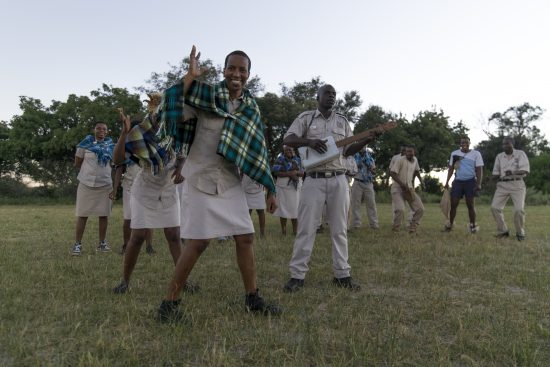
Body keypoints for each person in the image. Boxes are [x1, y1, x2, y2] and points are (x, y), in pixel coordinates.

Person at [156, 46, 281, 321]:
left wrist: (270, 188)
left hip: (229, 181)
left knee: (246, 237)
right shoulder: (207, 95)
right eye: (232, 68)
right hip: (200, 177)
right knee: (198, 244)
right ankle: (168, 305)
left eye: (242, 69)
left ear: (249, 74)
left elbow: (258, 150)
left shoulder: (250, 108)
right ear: (224, 70)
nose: (237, 74)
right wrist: (190, 75)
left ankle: (252, 298)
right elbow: (173, 103)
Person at [282, 84, 373, 293]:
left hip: (339, 179)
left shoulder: (342, 120)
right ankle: (297, 275)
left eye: (334, 94)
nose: (331, 96)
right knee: (306, 228)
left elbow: (348, 150)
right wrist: (310, 142)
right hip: (313, 179)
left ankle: (342, 274)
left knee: (340, 229)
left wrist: (366, 139)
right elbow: (288, 139)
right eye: (327, 93)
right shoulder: (306, 118)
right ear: (318, 96)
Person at [112, 96, 188, 294]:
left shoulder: (175, 132)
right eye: (157, 116)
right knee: (137, 237)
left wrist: (181, 168)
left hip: (168, 189)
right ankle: (125, 282)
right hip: (145, 189)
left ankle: (183, 282)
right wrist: (124, 133)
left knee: (174, 235)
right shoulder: (138, 133)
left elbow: (182, 155)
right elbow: (118, 159)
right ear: (152, 115)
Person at [71, 122, 114, 256]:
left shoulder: (112, 147)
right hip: (86, 183)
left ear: (107, 132)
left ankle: (102, 243)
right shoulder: (85, 144)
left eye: (104, 129)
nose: (101, 130)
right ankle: (77, 245)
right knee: (82, 214)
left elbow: (115, 164)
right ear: (94, 130)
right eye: (98, 128)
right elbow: (77, 163)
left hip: (105, 184)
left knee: (104, 215)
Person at [490, 137, 530, 241]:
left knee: (519, 209)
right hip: (502, 185)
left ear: (512, 144)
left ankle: (520, 233)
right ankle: (503, 231)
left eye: (507, 144)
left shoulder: (520, 154)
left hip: (517, 184)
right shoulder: (499, 156)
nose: (504, 146)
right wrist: (489, 179)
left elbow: (525, 171)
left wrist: (513, 172)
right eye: (503, 144)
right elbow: (496, 174)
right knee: (495, 207)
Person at [111, 161, 155, 255]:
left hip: (147, 185)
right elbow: (119, 168)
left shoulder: (149, 147)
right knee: (128, 218)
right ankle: (126, 246)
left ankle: (149, 246)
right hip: (129, 186)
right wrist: (115, 189)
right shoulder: (126, 148)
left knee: (148, 217)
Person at [444, 136, 484, 233]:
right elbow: (451, 168)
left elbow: (479, 169)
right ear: (460, 144)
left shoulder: (476, 154)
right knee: (454, 203)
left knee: (470, 204)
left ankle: (473, 226)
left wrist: (478, 184)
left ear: (469, 143)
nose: (464, 144)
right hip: (458, 181)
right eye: (462, 142)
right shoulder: (454, 154)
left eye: (466, 142)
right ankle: (450, 224)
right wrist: (447, 182)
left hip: (470, 181)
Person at [389, 145, 424, 233]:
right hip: (397, 188)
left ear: (414, 152)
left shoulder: (415, 160)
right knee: (400, 209)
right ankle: (395, 229)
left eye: (410, 151)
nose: (408, 153)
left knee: (420, 209)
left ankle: (412, 227)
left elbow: (416, 171)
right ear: (405, 152)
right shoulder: (400, 160)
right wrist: (401, 184)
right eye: (407, 151)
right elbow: (392, 173)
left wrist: (421, 181)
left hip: (409, 189)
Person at [272, 146, 303, 236]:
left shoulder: (298, 159)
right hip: (283, 187)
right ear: (284, 151)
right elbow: (275, 172)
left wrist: (296, 173)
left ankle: (295, 232)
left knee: (295, 210)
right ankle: (284, 231)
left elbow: (303, 172)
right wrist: (289, 173)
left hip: (295, 188)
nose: (288, 151)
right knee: (283, 210)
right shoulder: (280, 159)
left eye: (290, 149)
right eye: (286, 150)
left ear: (294, 150)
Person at [349, 147, 379, 230]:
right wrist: (358, 165)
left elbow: (374, 172)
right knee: (355, 204)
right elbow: (351, 171)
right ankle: (356, 224)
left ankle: (374, 224)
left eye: (364, 148)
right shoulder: (354, 159)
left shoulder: (370, 159)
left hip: (368, 183)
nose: (362, 150)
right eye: (361, 148)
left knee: (371, 203)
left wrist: (370, 168)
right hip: (357, 182)